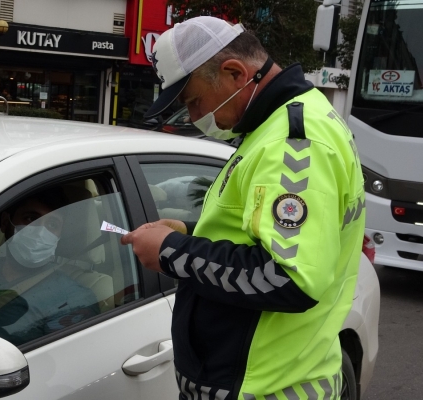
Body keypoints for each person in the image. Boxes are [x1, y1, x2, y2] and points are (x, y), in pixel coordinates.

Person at [121, 16, 365, 399]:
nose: (196, 118)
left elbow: (290, 277)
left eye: (194, 102)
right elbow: (260, 230)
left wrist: (172, 252)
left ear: (235, 73)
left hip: (267, 387)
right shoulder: (282, 122)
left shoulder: (293, 142)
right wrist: (189, 232)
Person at [0, 188, 99, 346]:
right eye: (30, 219)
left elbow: (57, 365)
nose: (40, 232)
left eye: (52, 225)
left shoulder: (73, 298)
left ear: (59, 236)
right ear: (5, 223)